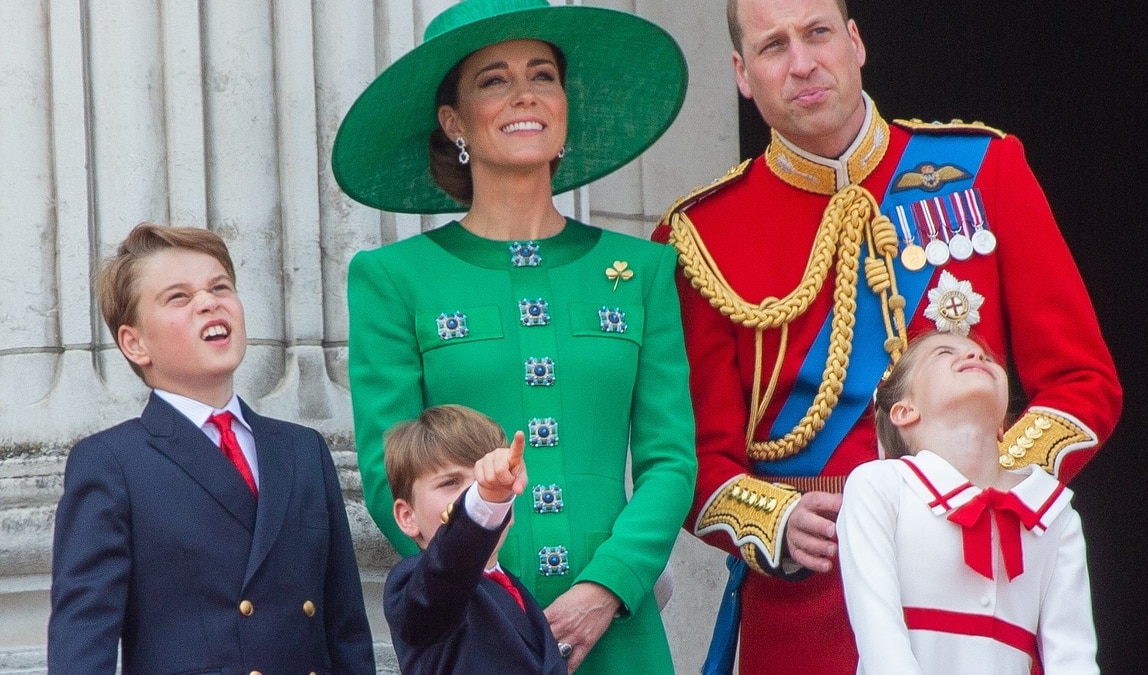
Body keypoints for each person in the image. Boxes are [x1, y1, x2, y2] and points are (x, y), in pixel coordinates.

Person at [651, 0, 1121, 672]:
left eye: (817, 33)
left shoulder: (984, 169)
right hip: (811, 598)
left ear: (856, 41)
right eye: (774, 46)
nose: (802, 63)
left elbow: (1082, 382)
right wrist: (776, 523)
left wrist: (987, 483)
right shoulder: (700, 236)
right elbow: (696, 457)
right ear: (741, 74)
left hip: (979, 583)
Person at [331, 1, 696, 673]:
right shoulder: (392, 279)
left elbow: (670, 460)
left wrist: (608, 586)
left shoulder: (643, 270)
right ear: (454, 122)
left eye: (542, 75)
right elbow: (391, 476)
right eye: (494, 79)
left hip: (620, 633)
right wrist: (478, 592)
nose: (525, 94)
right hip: (479, 634)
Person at [47, 223, 375, 674]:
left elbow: (346, 629)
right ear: (135, 343)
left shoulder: (303, 450)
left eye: (220, 287)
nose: (208, 302)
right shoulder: (112, 462)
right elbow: (83, 639)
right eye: (178, 297)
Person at [838, 331, 1098, 674]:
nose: (976, 357)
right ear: (904, 411)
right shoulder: (880, 486)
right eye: (945, 352)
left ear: (1003, 424)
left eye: (987, 358)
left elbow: (1073, 659)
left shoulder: (1053, 512)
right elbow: (879, 636)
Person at [383, 404, 568, 674]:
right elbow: (448, 568)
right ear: (407, 516)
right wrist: (483, 502)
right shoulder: (416, 584)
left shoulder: (514, 589)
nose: (477, 490)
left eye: (492, 483)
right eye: (450, 482)